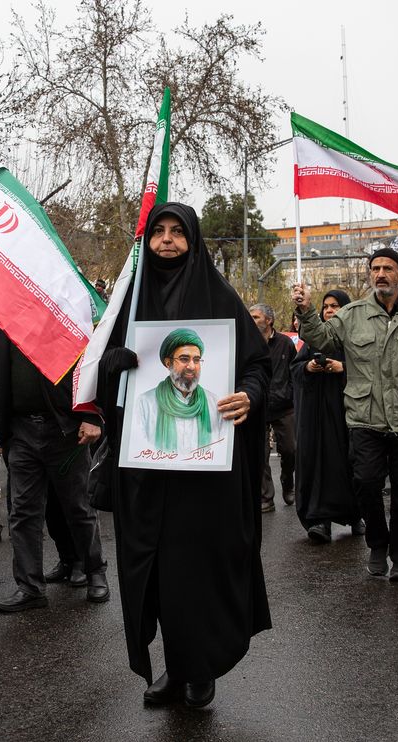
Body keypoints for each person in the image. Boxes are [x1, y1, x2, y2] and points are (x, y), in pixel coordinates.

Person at [99, 202, 271, 709]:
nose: (168, 240)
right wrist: (113, 366)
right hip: (146, 473)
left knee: (195, 571)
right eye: (159, 232)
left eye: (178, 232)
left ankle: (200, 669)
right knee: (154, 572)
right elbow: (98, 378)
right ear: (147, 241)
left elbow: (257, 367)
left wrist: (248, 395)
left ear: (193, 242)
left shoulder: (221, 299)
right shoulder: (127, 305)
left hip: (203, 473)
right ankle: (174, 668)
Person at [293, 247, 398, 581]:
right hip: (365, 418)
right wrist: (306, 310)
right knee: (366, 484)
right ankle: (378, 545)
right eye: (375, 268)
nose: (380, 274)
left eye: (388, 268)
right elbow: (321, 337)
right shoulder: (351, 315)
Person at [0, 331, 108, 611]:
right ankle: (29, 588)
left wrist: (91, 415)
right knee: (23, 512)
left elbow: (89, 364)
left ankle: (95, 573)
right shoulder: (4, 321)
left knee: (79, 507)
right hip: (20, 431)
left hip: (65, 430)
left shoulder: (61, 309)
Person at [290, 289, 357, 542]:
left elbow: (373, 369)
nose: (329, 310)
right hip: (316, 416)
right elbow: (294, 370)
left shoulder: (354, 338)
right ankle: (319, 521)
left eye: (336, 306)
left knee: (350, 464)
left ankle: (355, 514)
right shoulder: (312, 340)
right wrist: (308, 366)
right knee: (315, 465)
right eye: (326, 306)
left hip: (346, 414)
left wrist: (343, 368)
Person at [133, 328, 227, 454]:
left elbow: (220, 450)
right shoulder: (145, 403)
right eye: (184, 359)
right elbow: (139, 448)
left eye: (197, 360)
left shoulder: (216, 403)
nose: (192, 366)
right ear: (168, 363)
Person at [249, 303, 296, 512]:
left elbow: (295, 372)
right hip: (258, 406)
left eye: (256, 317)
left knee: (290, 450)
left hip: (284, 406)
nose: (252, 321)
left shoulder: (285, 343)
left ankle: (288, 483)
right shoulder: (248, 343)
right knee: (261, 453)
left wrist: (291, 395)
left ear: (269, 320)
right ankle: (265, 497)